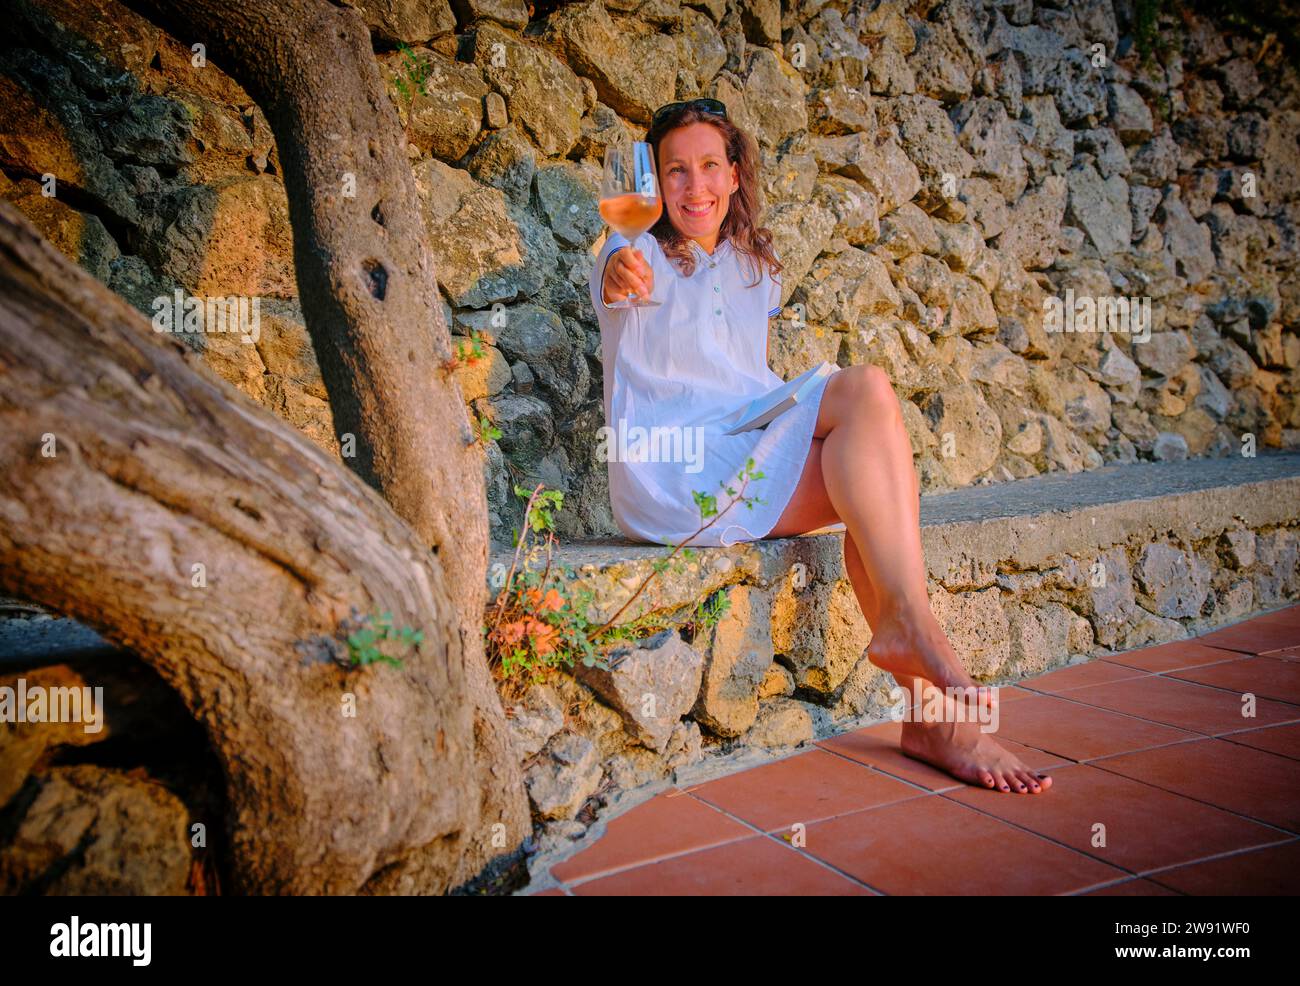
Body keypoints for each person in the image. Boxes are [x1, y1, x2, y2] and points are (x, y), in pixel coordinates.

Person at [589, 99, 1051, 795]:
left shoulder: (753, 267)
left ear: (736, 174)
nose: (695, 186)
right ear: (654, 184)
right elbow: (614, 280)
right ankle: (924, 674)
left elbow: (744, 382)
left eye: (710, 165)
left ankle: (918, 677)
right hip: (675, 473)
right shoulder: (636, 254)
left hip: (740, 438)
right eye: (674, 171)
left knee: (862, 436)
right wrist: (619, 271)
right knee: (862, 402)